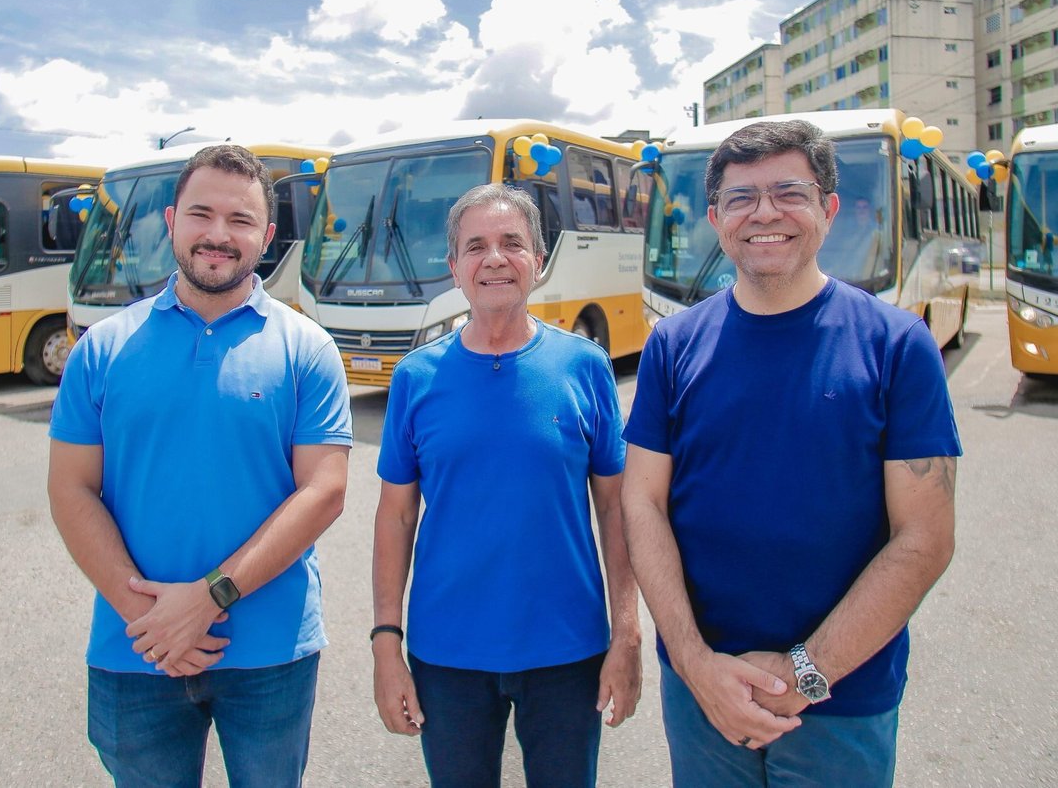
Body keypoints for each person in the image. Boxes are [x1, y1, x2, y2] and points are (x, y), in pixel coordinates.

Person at [621, 119, 960, 787]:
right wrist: (694, 664)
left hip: (843, 701)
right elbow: (643, 501)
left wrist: (808, 672)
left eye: (789, 192)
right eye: (742, 198)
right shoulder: (673, 345)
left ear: (828, 210)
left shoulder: (897, 345)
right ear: (716, 219)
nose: (765, 212)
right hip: (702, 696)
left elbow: (925, 536)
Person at [48, 143, 352, 788]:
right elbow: (72, 489)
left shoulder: (308, 348)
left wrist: (208, 598)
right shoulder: (102, 349)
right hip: (136, 647)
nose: (219, 235)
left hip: (271, 653)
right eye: (201, 214)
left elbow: (323, 492)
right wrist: (150, 616)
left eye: (240, 221)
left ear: (267, 236)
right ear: (171, 221)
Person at [371, 182, 642, 788]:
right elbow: (394, 517)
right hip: (447, 655)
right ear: (454, 267)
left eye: (512, 243)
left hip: (568, 651)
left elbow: (617, 510)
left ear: (538, 262)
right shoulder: (416, 378)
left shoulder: (584, 366)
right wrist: (385, 643)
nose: (494, 258)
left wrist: (626, 632)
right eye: (476, 246)